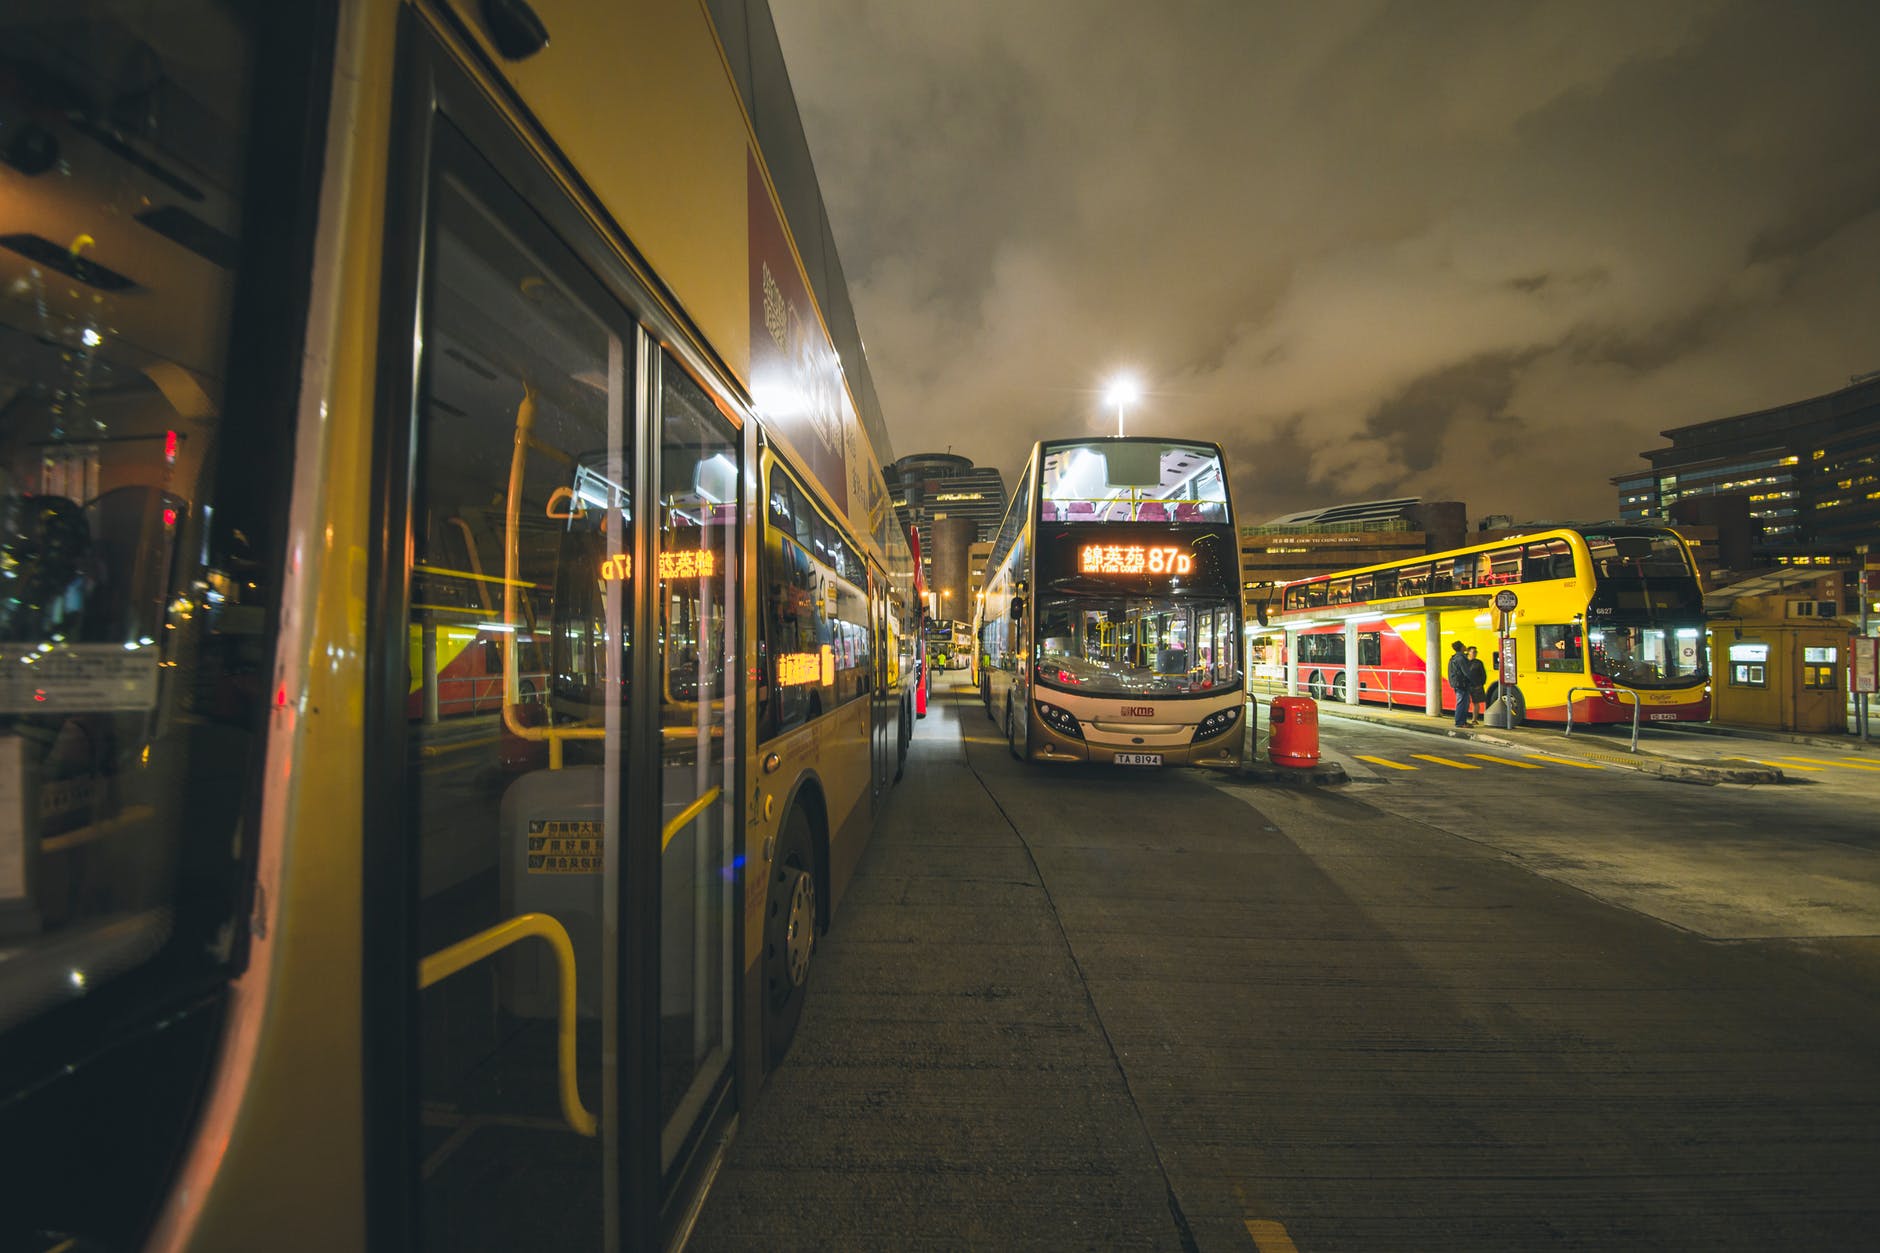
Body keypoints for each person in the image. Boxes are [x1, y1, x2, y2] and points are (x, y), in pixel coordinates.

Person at [1447, 640, 1470, 728]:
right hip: (1462, 684)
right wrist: (1473, 681)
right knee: (1462, 703)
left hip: (1458, 683)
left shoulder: (1454, 658)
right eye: (1464, 645)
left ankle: (1462, 721)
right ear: (1461, 647)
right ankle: (1460, 722)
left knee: (1463, 702)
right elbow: (1466, 672)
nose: (1465, 646)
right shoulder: (1460, 658)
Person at [1465, 645, 1489, 725]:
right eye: (1473, 652)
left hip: (1476, 686)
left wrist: (1481, 684)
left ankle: (1474, 719)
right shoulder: (1464, 662)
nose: (1475, 653)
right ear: (1468, 652)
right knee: (1465, 702)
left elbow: (1483, 675)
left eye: (1476, 652)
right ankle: (1464, 718)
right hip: (1467, 685)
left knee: (1476, 702)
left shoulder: (1478, 663)